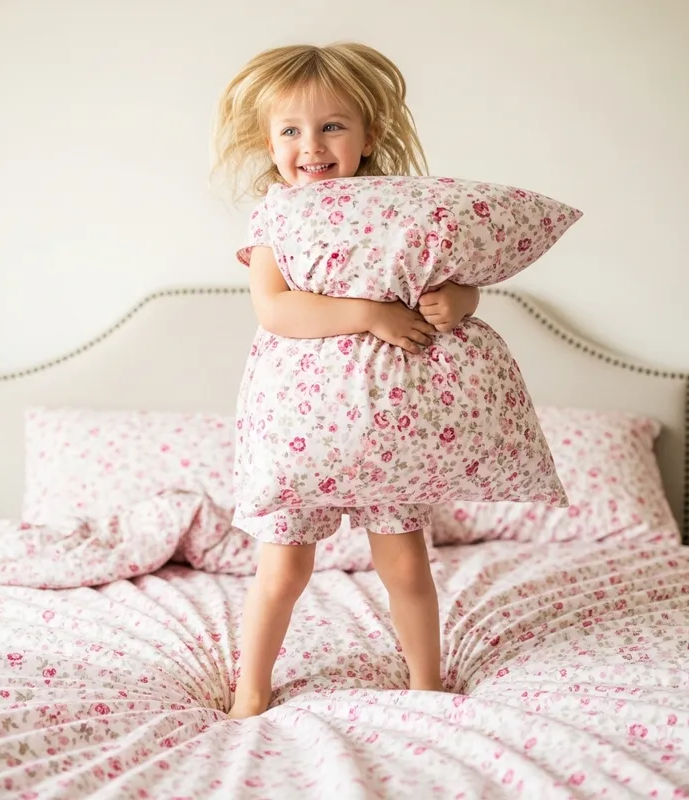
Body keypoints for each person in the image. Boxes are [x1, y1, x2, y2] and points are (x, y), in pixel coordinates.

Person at [213, 42, 480, 718]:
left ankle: (427, 684)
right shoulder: (277, 215)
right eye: (291, 130)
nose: (313, 145)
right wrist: (371, 314)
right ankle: (251, 690)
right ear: (268, 142)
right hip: (300, 427)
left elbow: (446, 283)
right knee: (284, 570)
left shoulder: (404, 211)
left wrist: (461, 302)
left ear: (370, 136)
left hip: (383, 423)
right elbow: (276, 307)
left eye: (333, 125)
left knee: (406, 567)